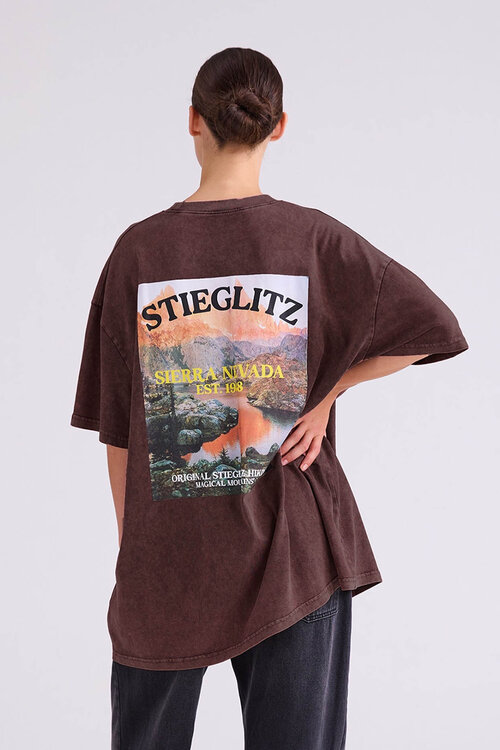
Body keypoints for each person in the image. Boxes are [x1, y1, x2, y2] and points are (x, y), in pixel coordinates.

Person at [70, 47, 469, 750]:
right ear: (279, 126)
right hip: (295, 554)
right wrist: (329, 391)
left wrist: (137, 550)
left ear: (192, 120)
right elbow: (432, 324)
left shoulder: (138, 251)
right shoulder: (311, 238)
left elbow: (119, 427)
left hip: (187, 560)